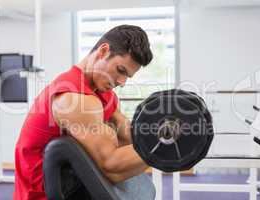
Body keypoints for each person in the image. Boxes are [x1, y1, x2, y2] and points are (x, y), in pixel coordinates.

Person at [14, 24, 156, 200]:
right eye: (120, 70)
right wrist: (162, 148)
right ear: (103, 51)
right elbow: (110, 166)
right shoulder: (74, 99)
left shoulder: (105, 93)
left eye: (127, 76)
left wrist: (159, 136)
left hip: (76, 181)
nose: (122, 81)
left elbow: (126, 135)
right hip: (46, 194)